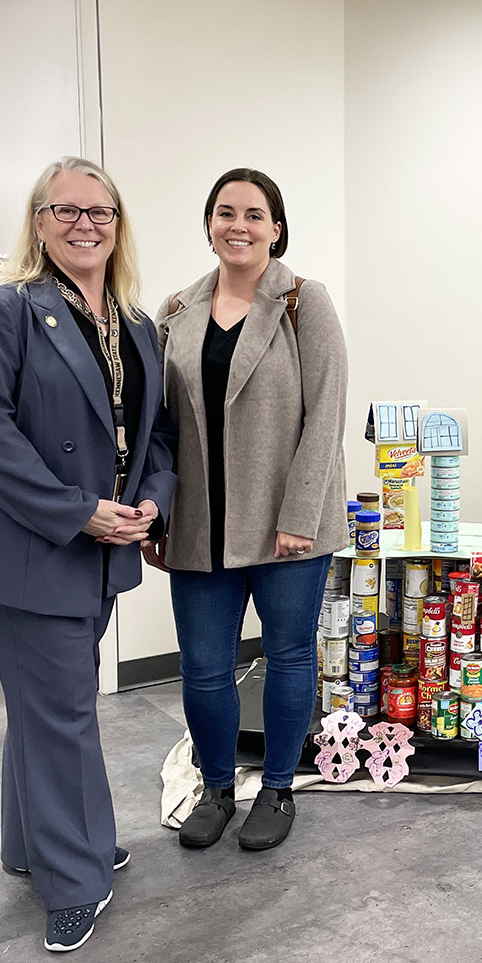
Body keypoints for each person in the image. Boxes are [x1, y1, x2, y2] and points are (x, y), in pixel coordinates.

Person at [0, 157, 176, 953]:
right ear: (39, 222)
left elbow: (158, 439)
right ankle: (76, 881)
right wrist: (80, 514)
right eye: (65, 210)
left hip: (104, 546)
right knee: (65, 711)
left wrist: (153, 502)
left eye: (100, 212)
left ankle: (29, 845)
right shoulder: (2, 309)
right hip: (31, 548)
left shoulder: (139, 326)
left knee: (42, 706)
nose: (84, 224)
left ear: (118, 224)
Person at [143, 167, 348, 852]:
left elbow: (326, 414)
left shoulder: (302, 302)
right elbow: (160, 427)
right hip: (201, 524)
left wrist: (299, 512)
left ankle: (281, 789)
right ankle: (218, 786)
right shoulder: (176, 311)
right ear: (208, 225)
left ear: (276, 229)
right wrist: (157, 514)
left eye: (255, 214)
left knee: (289, 658)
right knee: (203, 666)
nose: (239, 225)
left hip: (288, 524)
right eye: (226, 212)